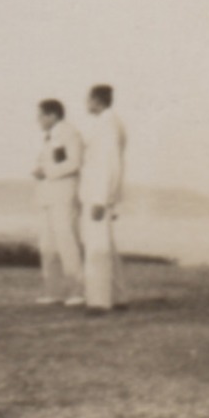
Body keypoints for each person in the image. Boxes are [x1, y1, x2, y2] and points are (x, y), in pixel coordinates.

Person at [79, 84, 129, 314]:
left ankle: (99, 301)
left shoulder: (108, 124)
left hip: (98, 194)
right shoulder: (107, 123)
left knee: (97, 248)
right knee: (106, 246)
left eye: (88, 99)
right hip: (97, 192)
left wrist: (101, 198)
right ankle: (118, 297)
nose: (86, 103)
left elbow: (110, 164)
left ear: (97, 100)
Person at [31, 98, 85, 307]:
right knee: (48, 245)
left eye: (40, 116)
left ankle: (77, 291)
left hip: (63, 195)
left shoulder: (69, 133)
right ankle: (52, 291)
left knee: (67, 242)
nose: (38, 120)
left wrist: (47, 171)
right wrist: (40, 169)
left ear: (52, 115)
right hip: (47, 196)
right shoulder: (50, 136)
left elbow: (74, 162)